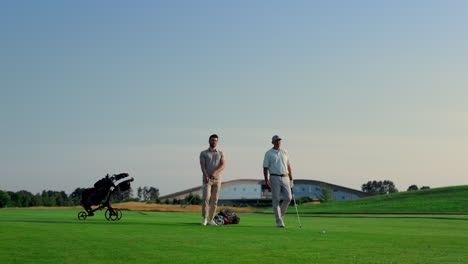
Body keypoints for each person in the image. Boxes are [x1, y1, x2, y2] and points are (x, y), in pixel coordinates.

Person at [263, 135, 293, 227]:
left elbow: (288, 165)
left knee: (288, 198)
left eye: (279, 140)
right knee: (276, 199)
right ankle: (279, 221)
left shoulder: (285, 151)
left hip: (285, 177)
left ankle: (281, 215)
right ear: (273, 142)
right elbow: (265, 167)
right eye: (276, 141)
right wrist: (266, 179)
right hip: (274, 177)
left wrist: (291, 177)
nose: (278, 142)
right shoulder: (269, 153)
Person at [199, 134, 226, 226]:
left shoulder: (221, 153)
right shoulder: (203, 153)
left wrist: (215, 172)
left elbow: (223, 165)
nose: (214, 141)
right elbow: (202, 166)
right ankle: (204, 218)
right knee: (206, 198)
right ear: (209, 141)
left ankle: (211, 219)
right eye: (212, 140)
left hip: (217, 179)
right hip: (207, 179)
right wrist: (206, 176)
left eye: (215, 140)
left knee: (215, 200)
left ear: (217, 142)